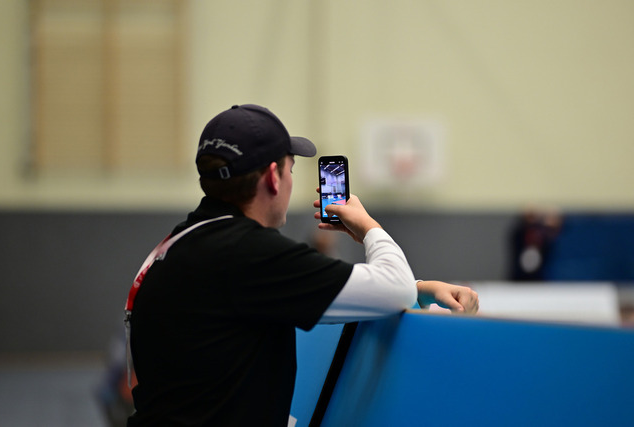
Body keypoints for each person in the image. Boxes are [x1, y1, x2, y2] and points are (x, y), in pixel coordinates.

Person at [125, 104, 478, 426]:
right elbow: (393, 289)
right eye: (291, 170)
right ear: (273, 177)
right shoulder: (248, 253)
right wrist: (368, 227)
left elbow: (325, 291)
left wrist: (420, 290)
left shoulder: (181, 243)